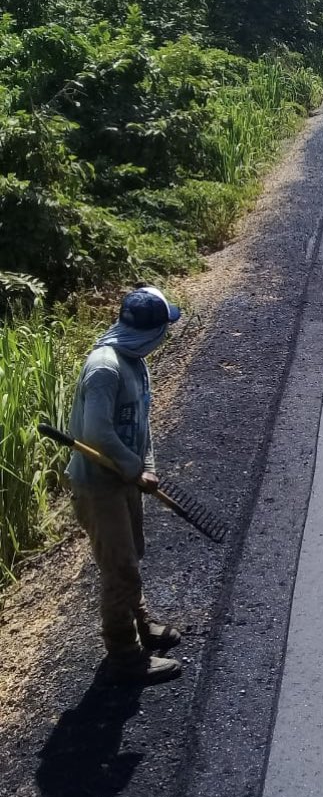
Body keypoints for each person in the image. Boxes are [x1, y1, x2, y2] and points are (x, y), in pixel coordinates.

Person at [66, 286, 185, 684]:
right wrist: (134, 468)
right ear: (152, 331)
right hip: (100, 486)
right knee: (119, 569)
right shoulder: (106, 369)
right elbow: (96, 433)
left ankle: (141, 622)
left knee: (132, 554)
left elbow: (140, 423)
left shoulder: (135, 362)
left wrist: (144, 466)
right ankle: (124, 655)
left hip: (125, 480)